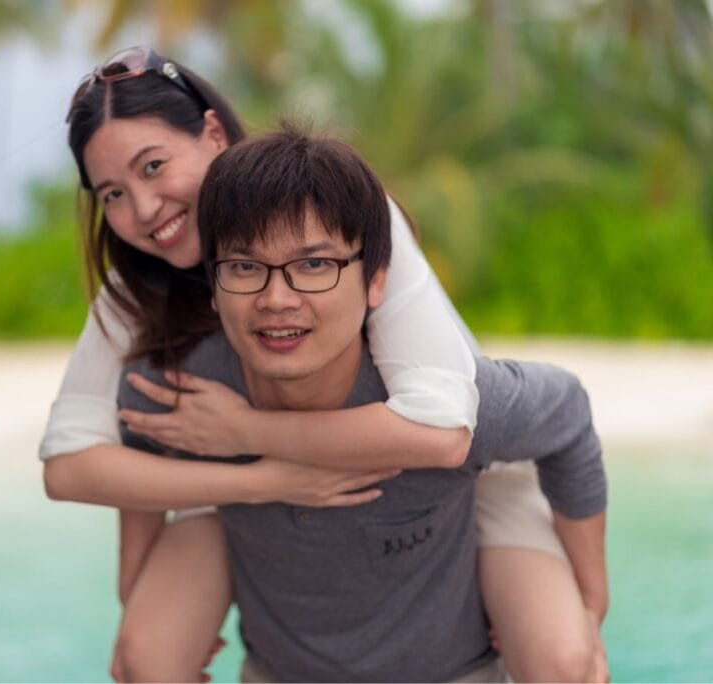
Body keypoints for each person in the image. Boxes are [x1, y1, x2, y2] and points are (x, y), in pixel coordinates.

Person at [42, 46, 607, 682]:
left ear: (212, 133)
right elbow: (82, 459)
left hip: (467, 464)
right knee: (143, 658)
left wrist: (245, 434)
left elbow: (443, 431)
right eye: (114, 193)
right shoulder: (138, 294)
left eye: (154, 166)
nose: (144, 209)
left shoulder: (340, 214)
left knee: (566, 659)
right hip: (245, 477)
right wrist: (144, 591)